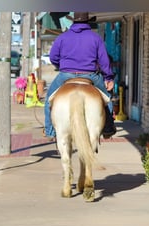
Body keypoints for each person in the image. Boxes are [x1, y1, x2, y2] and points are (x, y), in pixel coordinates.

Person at [44, 12, 117, 140]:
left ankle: (50, 131)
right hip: (90, 75)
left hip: (66, 75)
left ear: (73, 21)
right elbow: (104, 61)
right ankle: (108, 128)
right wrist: (108, 77)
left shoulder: (63, 37)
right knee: (106, 99)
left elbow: (53, 57)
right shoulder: (95, 38)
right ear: (87, 21)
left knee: (49, 99)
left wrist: (61, 66)